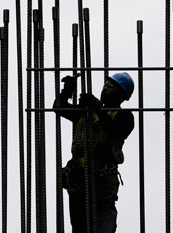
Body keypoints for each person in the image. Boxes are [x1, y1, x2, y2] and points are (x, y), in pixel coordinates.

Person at [54, 72, 135, 233]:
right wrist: (67, 90)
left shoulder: (124, 116)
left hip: (102, 178)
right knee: (80, 227)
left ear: (122, 95)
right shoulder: (86, 112)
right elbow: (58, 108)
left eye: (111, 86)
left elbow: (115, 131)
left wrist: (97, 107)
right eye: (105, 84)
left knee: (104, 223)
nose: (105, 88)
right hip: (78, 177)